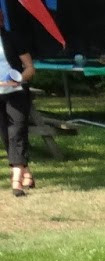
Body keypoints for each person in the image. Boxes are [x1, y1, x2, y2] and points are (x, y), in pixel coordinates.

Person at [0, 17, 35, 198]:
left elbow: (30, 68)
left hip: (16, 92)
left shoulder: (13, 38)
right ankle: (26, 171)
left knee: (17, 133)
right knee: (6, 136)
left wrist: (18, 79)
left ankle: (17, 181)